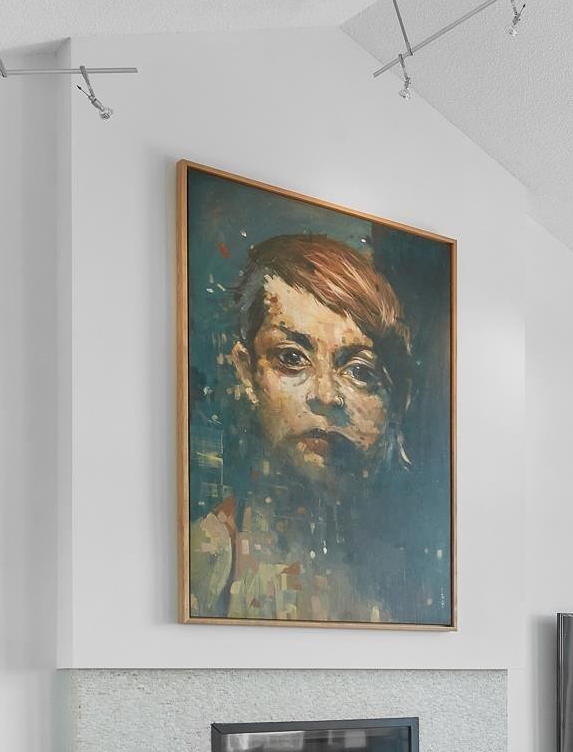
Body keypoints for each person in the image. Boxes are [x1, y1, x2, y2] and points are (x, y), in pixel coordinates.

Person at [186, 232, 444, 624]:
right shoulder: (207, 557)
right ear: (247, 371)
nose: (326, 396)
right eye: (291, 358)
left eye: (360, 371)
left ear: (399, 399)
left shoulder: (428, 574)